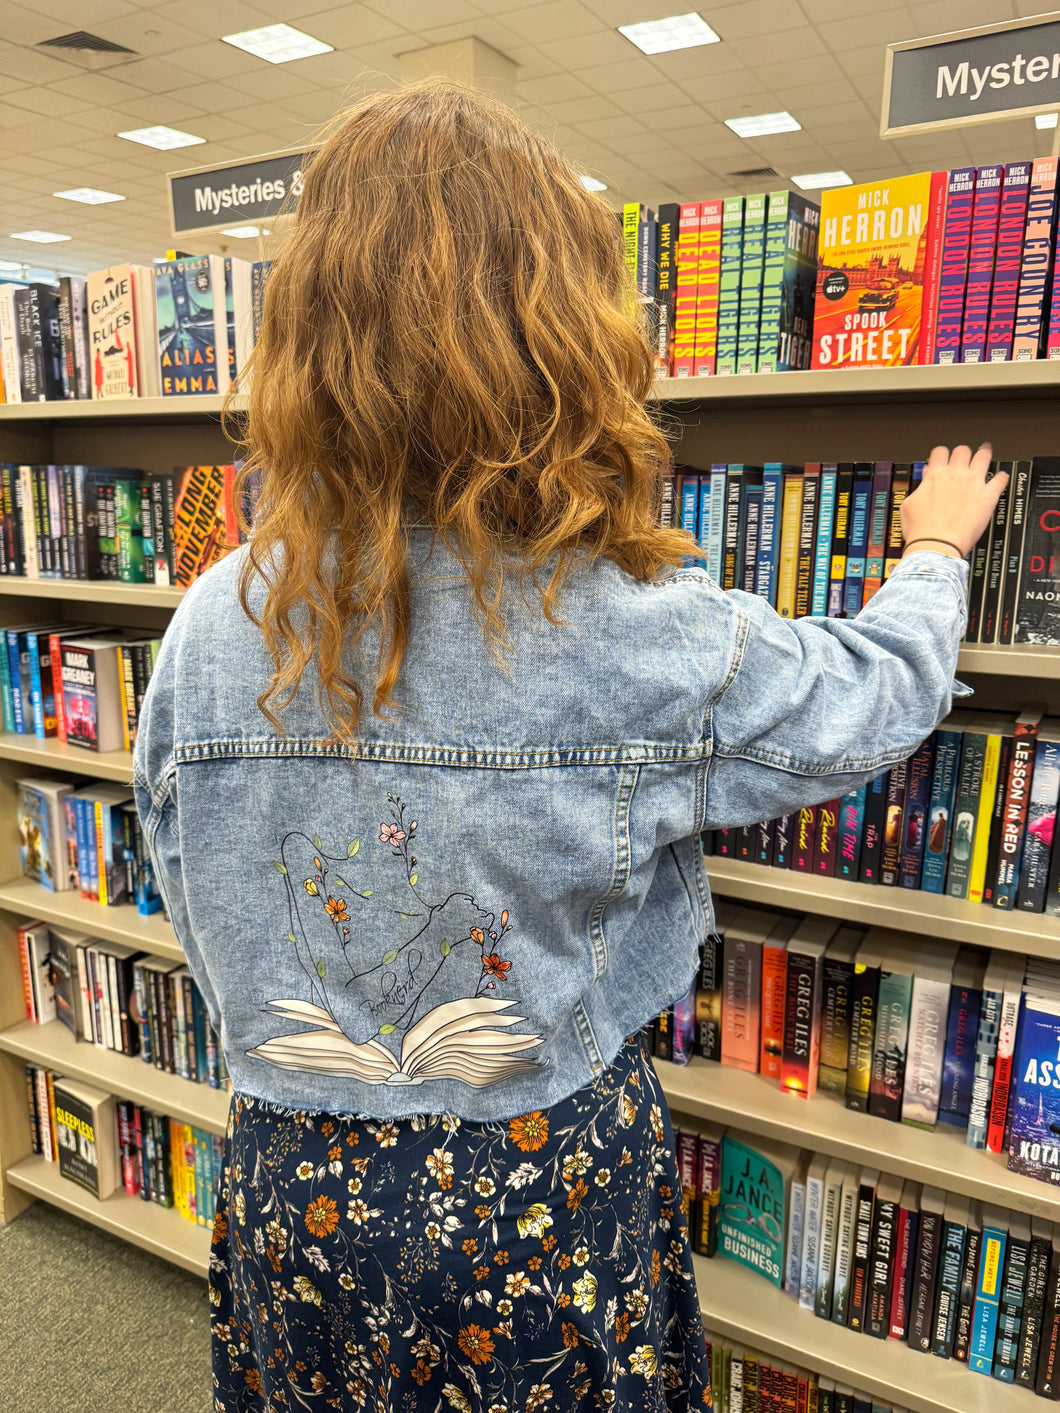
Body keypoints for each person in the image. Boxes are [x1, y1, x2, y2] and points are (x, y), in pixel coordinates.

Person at [132, 79, 1005, 1413]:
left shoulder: (209, 620)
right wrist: (936, 552)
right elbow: (868, 698)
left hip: (291, 1186)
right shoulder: (615, 625)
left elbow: (180, 865)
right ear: (558, 339)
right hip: (535, 1199)